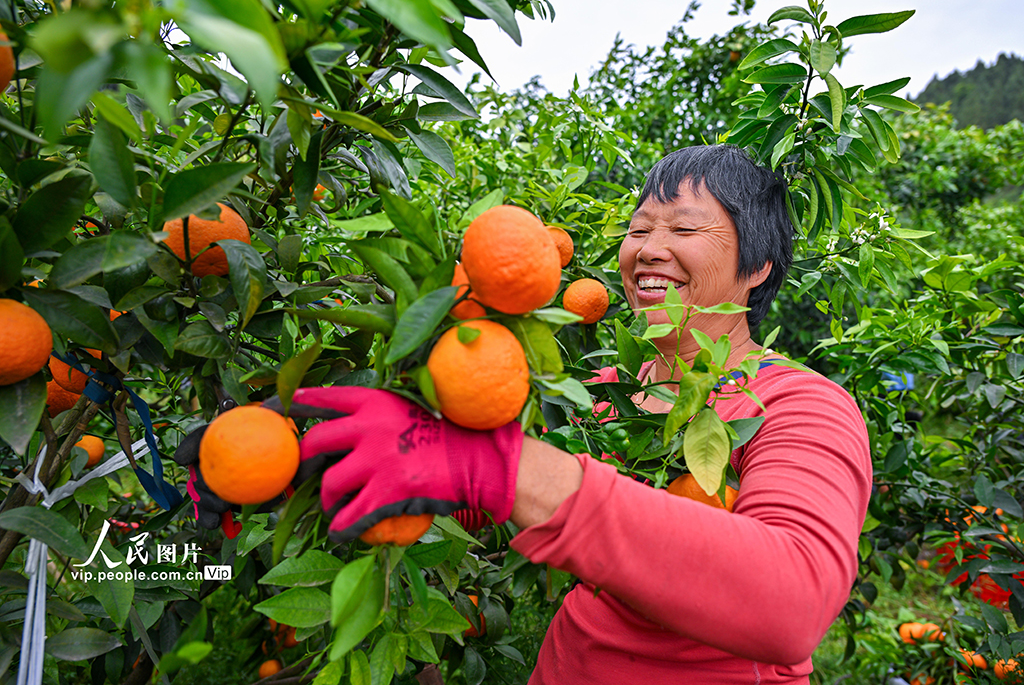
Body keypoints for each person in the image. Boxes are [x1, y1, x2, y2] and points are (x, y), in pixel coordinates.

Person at [186, 145, 872, 683]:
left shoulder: (800, 405)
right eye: (639, 229)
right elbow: (483, 502)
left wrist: (493, 463)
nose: (647, 249)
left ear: (758, 265)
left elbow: (793, 601)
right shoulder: (603, 390)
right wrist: (305, 461)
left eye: (684, 227)